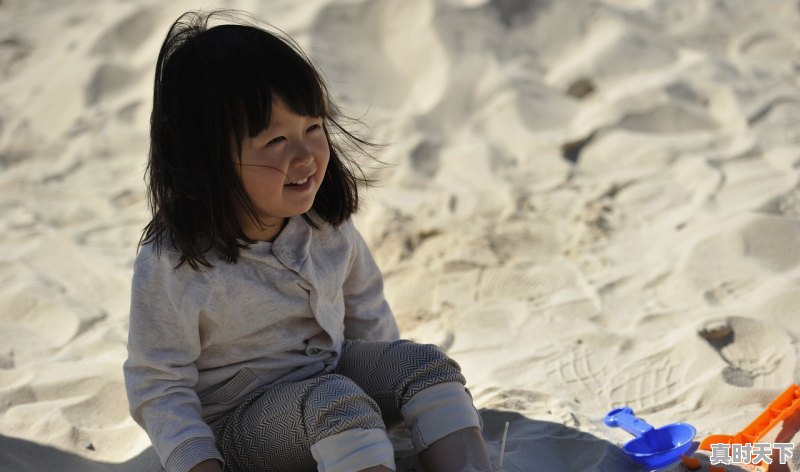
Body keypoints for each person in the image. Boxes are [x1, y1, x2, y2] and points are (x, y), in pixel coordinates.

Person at [123, 9, 493, 472]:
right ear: (208, 160)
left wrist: (388, 397)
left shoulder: (325, 223)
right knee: (336, 400)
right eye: (276, 140)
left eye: (313, 128)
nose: (304, 156)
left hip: (334, 383)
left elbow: (366, 310)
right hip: (242, 427)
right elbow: (159, 384)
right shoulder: (177, 263)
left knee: (425, 365)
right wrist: (199, 462)